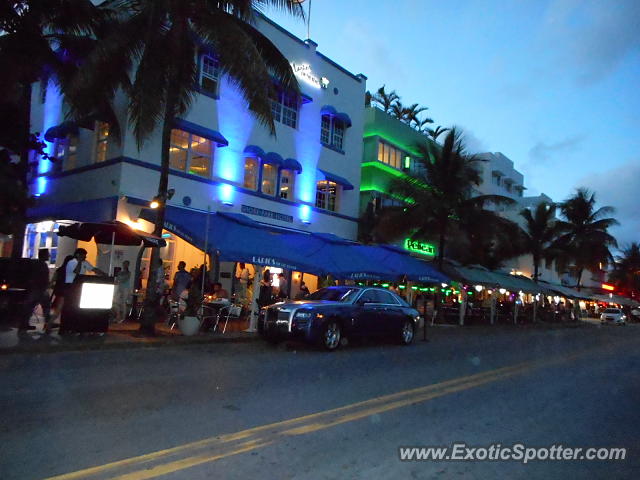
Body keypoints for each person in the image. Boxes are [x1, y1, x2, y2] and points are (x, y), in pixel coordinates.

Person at [21, 249, 53, 332]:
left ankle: (24, 324)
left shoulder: (35, 264)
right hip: (40, 289)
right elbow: (43, 278)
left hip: (35, 288)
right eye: (47, 254)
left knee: (29, 307)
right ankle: (48, 325)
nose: (49, 256)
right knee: (46, 307)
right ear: (44, 255)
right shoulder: (42, 265)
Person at [51, 255, 73, 324]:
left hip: (59, 292)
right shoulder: (70, 271)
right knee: (60, 310)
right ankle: (49, 324)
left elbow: (53, 279)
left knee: (58, 310)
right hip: (65, 292)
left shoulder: (60, 269)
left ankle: (49, 324)